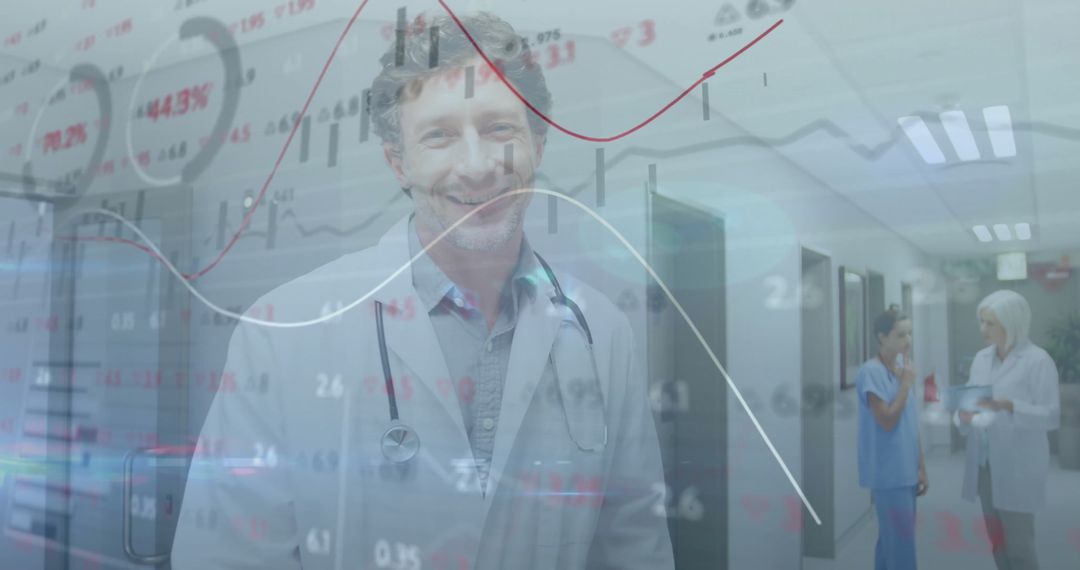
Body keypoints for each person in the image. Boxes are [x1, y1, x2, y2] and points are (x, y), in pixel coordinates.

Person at [170, 11, 674, 570]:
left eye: (500, 129)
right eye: (438, 136)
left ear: (538, 142)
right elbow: (223, 555)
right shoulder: (283, 332)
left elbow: (635, 549)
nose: (478, 166)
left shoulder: (601, 332)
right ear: (397, 163)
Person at [954, 290, 1060, 570]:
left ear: (1012, 323)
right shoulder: (980, 359)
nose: (983, 329)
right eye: (981, 321)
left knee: (1020, 547)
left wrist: (1010, 406)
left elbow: (1051, 416)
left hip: (1018, 467)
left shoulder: (1038, 361)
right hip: (986, 464)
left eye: (990, 323)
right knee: (997, 542)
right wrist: (963, 415)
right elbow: (970, 401)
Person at [856, 309, 928, 570]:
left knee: (889, 544)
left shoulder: (900, 370)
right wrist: (906, 384)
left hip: (906, 469)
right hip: (889, 473)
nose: (907, 340)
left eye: (909, 333)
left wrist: (921, 466)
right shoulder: (871, 372)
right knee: (901, 546)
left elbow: (910, 424)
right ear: (882, 337)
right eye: (900, 334)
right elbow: (886, 420)